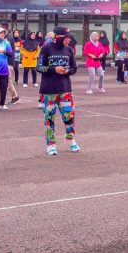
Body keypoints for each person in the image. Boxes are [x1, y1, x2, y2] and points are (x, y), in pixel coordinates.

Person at [37, 26, 79, 156]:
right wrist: (54, 69)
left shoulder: (69, 50)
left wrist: (67, 71)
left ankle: (71, 139)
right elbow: (39, 67)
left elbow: (74, 68)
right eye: (67, 38)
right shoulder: (46, 48)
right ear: (59, 37)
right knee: (49, 118)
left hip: (65, 90)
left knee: (69, 116)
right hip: (49, 90)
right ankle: (51, 144)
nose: (69, 40)